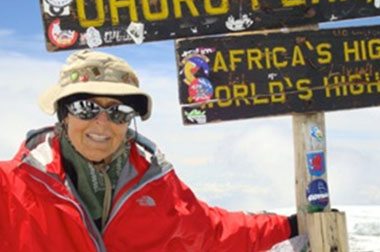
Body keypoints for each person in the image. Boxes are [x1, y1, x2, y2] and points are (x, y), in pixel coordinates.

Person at [0, 49, 298, 251]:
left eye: (119, 111)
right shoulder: (10, 189)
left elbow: (214, 233)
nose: (103, 123)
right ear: (62, 114)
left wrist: (287, 226)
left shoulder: (158, 188)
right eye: (85, 107)